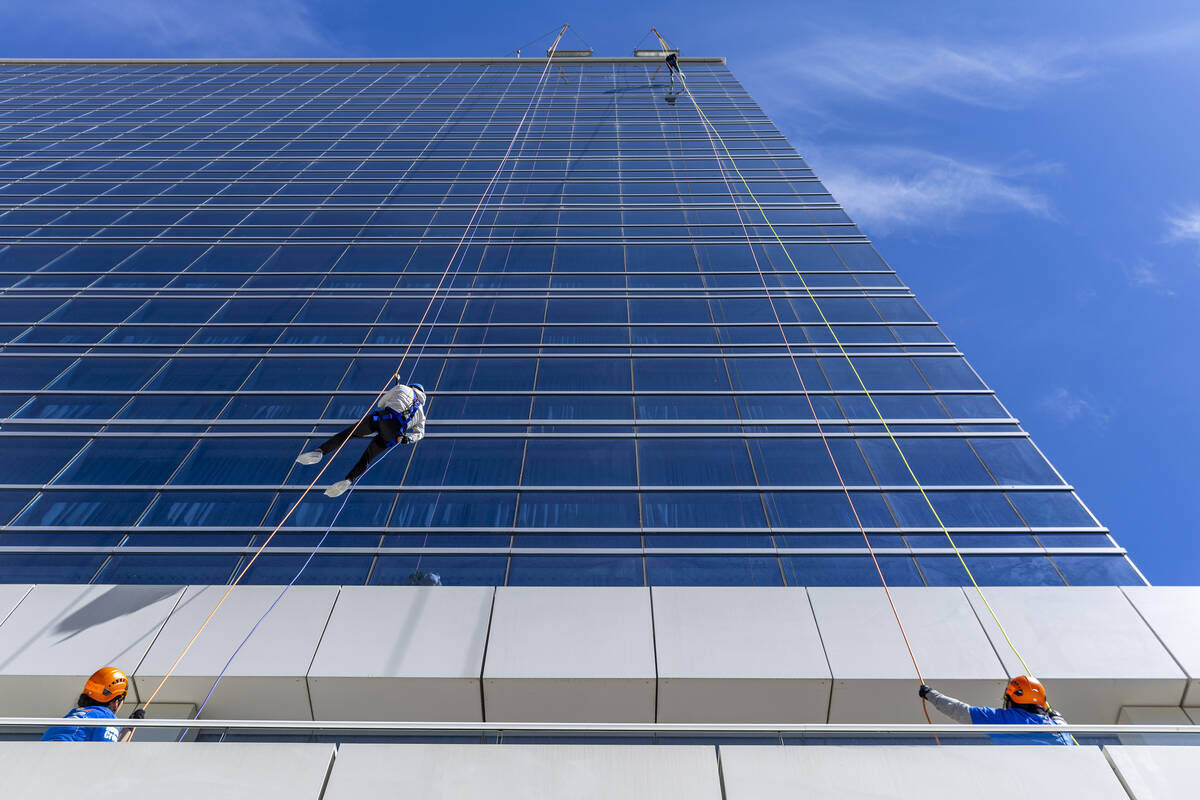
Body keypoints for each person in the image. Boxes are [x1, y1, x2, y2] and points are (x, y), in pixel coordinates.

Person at [296, 382, 427, 498]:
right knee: (367, 458)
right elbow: (420, 433)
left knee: (348, 434)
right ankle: (348, 480)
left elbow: (380, 403)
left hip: (382, 419)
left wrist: (395, 397)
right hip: (393, 434)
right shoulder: (421, 413)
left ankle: (320, 452)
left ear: (412, 386)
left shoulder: (402, 387)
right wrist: (407, 439)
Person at [919, 675, 1071, 745]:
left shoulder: (1005, 719)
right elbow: (1062, 724)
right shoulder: (1060, 729)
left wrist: (929, 694)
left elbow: (959, 711)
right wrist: (1057, 717)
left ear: (1012, 701)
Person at [41, 667, 144, 742]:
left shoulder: (74, 715)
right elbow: (107, 755)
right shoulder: (107, 717)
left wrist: (129, 727)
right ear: (115, 703)